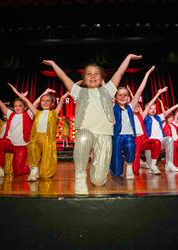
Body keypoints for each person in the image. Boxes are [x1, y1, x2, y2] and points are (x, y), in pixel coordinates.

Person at [43, 53, 142, 194]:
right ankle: (80, 177)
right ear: (83, 79)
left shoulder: (108, 90)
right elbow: (64, 77)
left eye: (96, 74)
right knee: (83, 137)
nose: (93, 76)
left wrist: (128, 58)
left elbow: (120, 72)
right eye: (88, 74)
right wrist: (54, 64)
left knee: (99, 181)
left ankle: (96, 175)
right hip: (86, 132)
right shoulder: (79, 92)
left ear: (102, 78)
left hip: (104, 135)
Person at [9, 84, 69, 181]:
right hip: (36, 138)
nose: (44, 103)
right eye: (43, 100)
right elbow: (27, 102)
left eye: (47, 101)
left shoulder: (54, 113)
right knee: (31, 146)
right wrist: (16, 92)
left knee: (45, 174)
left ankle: (42, 172)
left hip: (48, 141)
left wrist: (73, 87)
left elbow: (62, 98)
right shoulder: (37, 112)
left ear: (52, 103)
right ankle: (34, 170)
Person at [0, 89, 33, 178]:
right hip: (10, 143)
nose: (17, 107)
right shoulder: (10, 114)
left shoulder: (29, 114)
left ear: (25, 107)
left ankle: (31, 168)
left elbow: (35, 104)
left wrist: (23, 97)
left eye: (20, 106)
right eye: (15, 106)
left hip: (21, 146)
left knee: (18, 171)